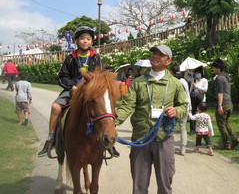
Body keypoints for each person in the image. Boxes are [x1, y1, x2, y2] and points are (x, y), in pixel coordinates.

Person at [37, 26, 120, 158]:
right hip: (73, 90)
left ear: (92, 42)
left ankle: (110, 141)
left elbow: (100, 74)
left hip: (91, 90)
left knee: (105, 108)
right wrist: (72, 86)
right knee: (55, 107)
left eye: (88, 39)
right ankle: (51, 139)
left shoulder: (96, 57)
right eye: (82, 38)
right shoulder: (70, 58)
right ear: (76, 41)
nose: (85, 41)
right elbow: (62, 76)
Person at [116, 44, 187, 194]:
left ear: (168, 61)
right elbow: (127, 106)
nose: (155, 56)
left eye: (160, 54)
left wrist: (177, 110)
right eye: (154, 53)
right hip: (140, 138)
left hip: (164, 138)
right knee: (139, 185)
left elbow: (184, 106)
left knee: (165, 182)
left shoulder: (175, 83)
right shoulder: (138, 82)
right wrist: (111, 122)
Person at [212, 58, 239, 150]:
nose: (213, 69)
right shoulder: (227, 77)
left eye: (214, 68)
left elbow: (220, 93)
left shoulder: (219, 78)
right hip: (229, 103)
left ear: (218, 68)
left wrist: (219, 105)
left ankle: (226, 144)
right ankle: (235, 138)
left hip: (223, 104)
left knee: (221, 125)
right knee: (226, 122)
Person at [170, 64, 192, 156]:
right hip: (185, 107)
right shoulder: (184, 81)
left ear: (171, 71)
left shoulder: (172, 81)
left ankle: (169, 147)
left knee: (171, 128)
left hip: (174, 108)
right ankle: (183, 149)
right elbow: (187, 95)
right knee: (183, 129)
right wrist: (190, 108)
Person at [189, 67, 208, 135]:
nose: (197, 74)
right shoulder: (194, 80)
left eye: (198, 73)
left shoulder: (204, 80)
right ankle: (192, 129)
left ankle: (202, 129)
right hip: (194, 98)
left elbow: (205, 89)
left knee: (201, 114)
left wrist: (196, 87)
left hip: (201, 99)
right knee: (193, 113)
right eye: (196, 73)